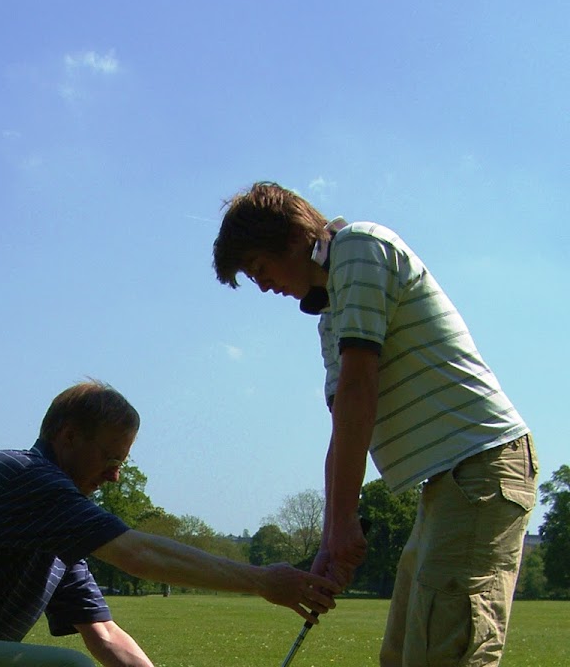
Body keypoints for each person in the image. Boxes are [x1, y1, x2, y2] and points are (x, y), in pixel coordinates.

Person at [212, 181, 538, 667]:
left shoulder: (360, 248)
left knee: (441, 654)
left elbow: (361, 385)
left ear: (296, 235)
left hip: (483, 467)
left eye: (259, 267)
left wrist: (345, 521)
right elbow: (345, 423)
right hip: (447, 484)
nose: (263, 285)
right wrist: (330, 537)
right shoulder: (328, 318)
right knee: (402, 655)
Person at [0, 380, 338, 667]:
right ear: (66, 437)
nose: (115, 474)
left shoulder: (57, 532)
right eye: (108, 456)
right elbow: (138, 554)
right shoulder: (22, 476)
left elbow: (104, 634)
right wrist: (262, 581)